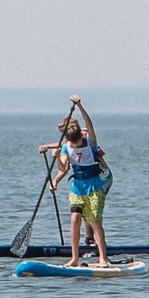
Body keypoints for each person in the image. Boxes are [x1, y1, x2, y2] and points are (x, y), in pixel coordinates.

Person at [37, 98, 111, 268]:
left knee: (95, 220)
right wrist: (56, 159)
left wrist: (79, 106)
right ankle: (74, 258)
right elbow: (63, 168)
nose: (71, 143)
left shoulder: (89, 142)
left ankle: (102, 257)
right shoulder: (65, 146)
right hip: (76, 187)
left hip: (94, 186)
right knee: (75, 219)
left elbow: (89, 123)